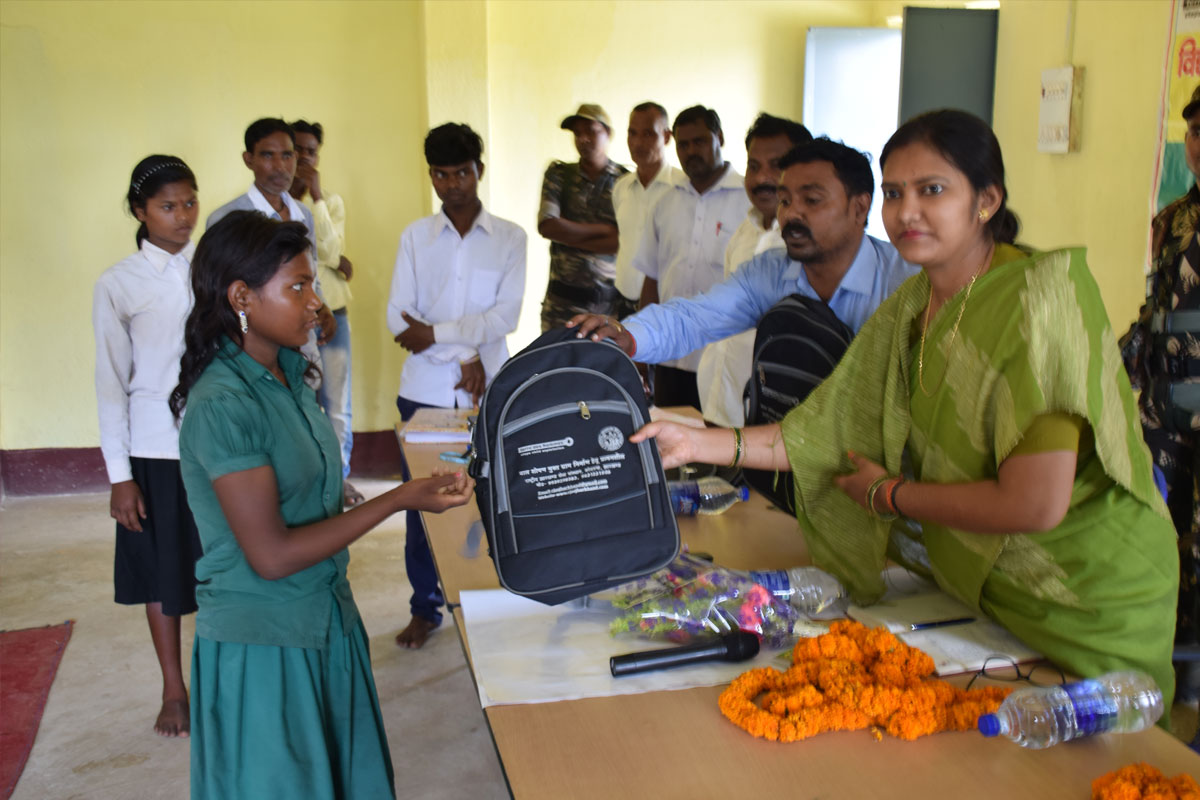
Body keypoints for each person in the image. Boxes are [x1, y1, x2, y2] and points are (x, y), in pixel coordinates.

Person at [631, 109, 1179, 711]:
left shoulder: (1039, 304)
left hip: (1089, 599)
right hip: (989, 602)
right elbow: (823, 431)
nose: (907, 212)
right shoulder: (915, 304)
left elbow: (1034, 504)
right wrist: (694, 443)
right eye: (895, 193)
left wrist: (889, 495)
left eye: (932, 190)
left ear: (986, 200)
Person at [172, 210, 473, 798]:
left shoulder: (288, 374)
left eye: (313, 284)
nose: (316, 303)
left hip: (325, 615)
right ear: (241, 297)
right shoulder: (224, 404)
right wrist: (399, 499)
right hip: (267, 640)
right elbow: (272, 556)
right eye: (298, 287)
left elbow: (305, 489)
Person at [571, 138, 917, 420]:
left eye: (812, 200)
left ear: (859, 208)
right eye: (785, 200)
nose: (791, 213)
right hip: (783, 446)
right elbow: (698, 316)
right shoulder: (771, 271)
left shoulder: (908, 282)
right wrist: (630, 334)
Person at [387, 123, 526, 648]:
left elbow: (505, 317)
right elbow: (399, 319)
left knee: (492, 498)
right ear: (432, 176)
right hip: (423, 391)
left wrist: (438, 335)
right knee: (420, 506)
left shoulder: (511, 238)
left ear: (479, 171)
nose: (452, 185)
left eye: (462, 173)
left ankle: (496, 597)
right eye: (441, 175)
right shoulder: (415, 237)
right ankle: (425, 607)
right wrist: (466, 352)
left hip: (489, 393)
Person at [92, 155, 205, 738]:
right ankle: (173, 688)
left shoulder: (212, 268)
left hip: (216, 441)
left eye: (189, 202)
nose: (182, 216)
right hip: (156, 449)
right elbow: (111, 382)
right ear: (140, 212)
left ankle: (222, 680)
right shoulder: (119, 283)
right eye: (167, 206)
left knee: (225, 565)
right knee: (164, 574)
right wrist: (120, 475)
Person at [1121, 82, 1200, 700]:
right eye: (1195, 131)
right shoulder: (1172, 220)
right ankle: (1156, 667)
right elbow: (1156, 307)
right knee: (1152, 534)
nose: (1199, 143)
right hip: (1164, 408)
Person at [695, 112, 812, 427]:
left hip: (772, 420)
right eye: (754, 166)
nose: (762, 178)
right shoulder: (744, 231)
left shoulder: (811, 243)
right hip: (719, 402)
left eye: (777, 165)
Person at [629, 105, 750, 409]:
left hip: (724, 358)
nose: (691, 151)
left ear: (720, 138)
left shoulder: (748, 201)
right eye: (683, 144)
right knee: (668, 432)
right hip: (669, 355)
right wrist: (640, 353)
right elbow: (652, 279)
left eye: (700, 141)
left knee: (719, 436)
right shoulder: (664, 201)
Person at [207, 118, 336, 351]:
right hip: (252, 345)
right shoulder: (226, 218)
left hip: (302, 339)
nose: (280, 166)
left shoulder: (303, 214)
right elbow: (220, 294)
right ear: (249, 159)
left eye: (287, 155)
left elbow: (311, 273)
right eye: (268, 155)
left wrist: (322, 307)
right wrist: (244, 335)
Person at [288, 119, 362, 507]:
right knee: (295, 398)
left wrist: (314, 198)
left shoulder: (329, 202)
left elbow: (330, 252)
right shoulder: (273, 206)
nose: (304, 158)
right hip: (288, 318)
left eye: (311, 151)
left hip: (334, 312)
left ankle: (339, 476)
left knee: (336, 402)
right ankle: (302, 477)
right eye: (296, 150)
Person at [538, 103, 629, 330]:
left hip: (606, 309)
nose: (583, 139)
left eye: (591, 131)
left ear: (608, 133)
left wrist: (566, 233)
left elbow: (623, 242)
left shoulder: (626, 182)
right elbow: (547, 226)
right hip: (559, 309)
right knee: (555, 356)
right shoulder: (559, 175)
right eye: (577, 133)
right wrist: (605, 230)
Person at [611, 102, 681, 313]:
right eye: (632, 133)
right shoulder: (621, 187)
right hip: (622, 304)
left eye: (648, 134)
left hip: (665, 307)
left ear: (666, 137)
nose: (638, 143)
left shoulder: (682, 188)